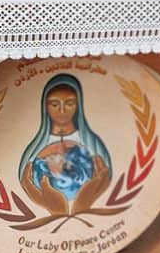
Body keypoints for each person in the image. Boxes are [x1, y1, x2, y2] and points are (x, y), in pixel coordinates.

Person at [20, 74, 111, 213]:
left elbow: (104, 178)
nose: (62, 110)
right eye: (54, 104)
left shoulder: (92, 144)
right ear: (45, 106)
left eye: (69, 103)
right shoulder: (35, 149)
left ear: (78, 105)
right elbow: (26, 182)